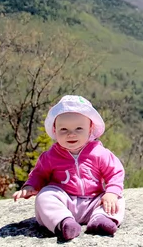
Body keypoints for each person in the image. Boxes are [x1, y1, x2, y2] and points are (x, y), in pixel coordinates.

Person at [12, 95, 125, 241]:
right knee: (45, 196)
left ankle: (101, 220)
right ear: (55, 129)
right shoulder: (51, 156)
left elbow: (115, 173)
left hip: (93, 201)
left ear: (90, 128)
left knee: (118, 198)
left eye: (79, 128)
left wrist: (111, 192)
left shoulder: (99, 153)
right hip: (64, 201)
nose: (71, 134)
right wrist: (30, 186)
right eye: (63, 129)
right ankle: (64, 223)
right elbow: (39, 173)